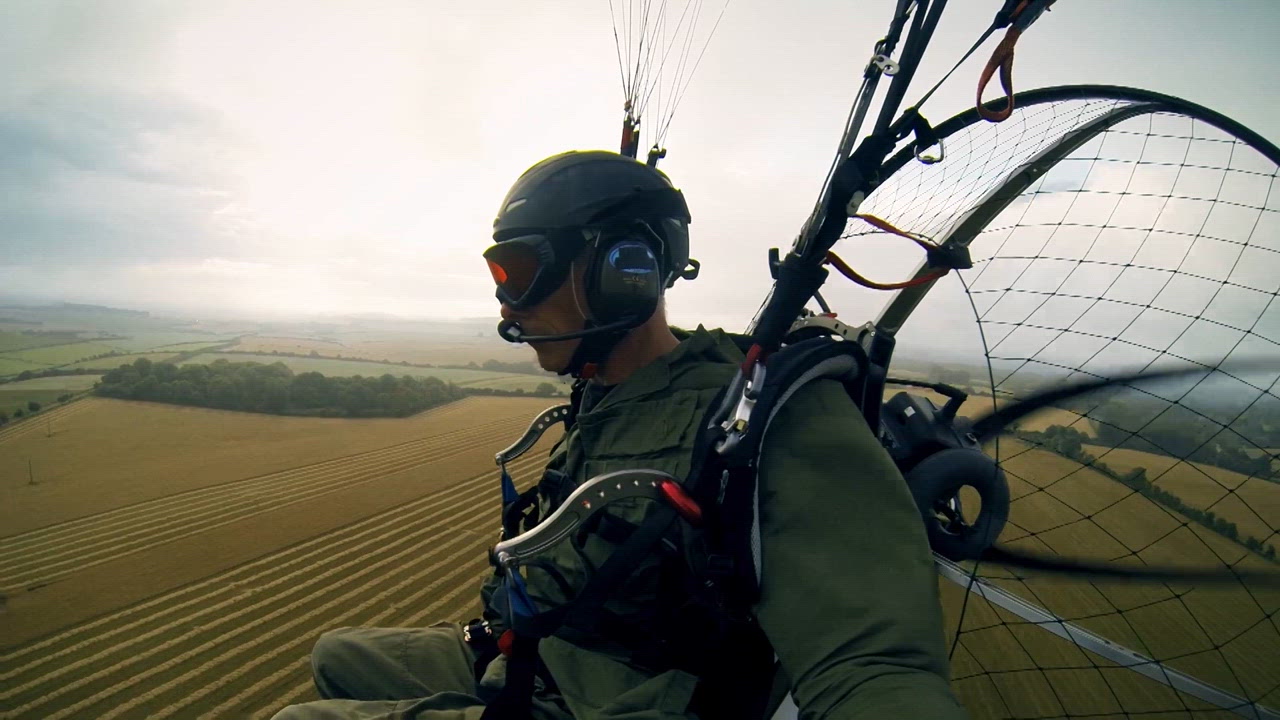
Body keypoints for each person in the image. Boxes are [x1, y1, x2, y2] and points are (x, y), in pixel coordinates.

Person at [272, 150, 968, 720]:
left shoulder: (765, 410)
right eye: (498, 274)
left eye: (522, 270)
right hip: (549, 653)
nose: (507, 302)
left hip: (619, 700)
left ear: (623, 273)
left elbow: (875, 667)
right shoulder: (608, 391)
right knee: (333, 653)